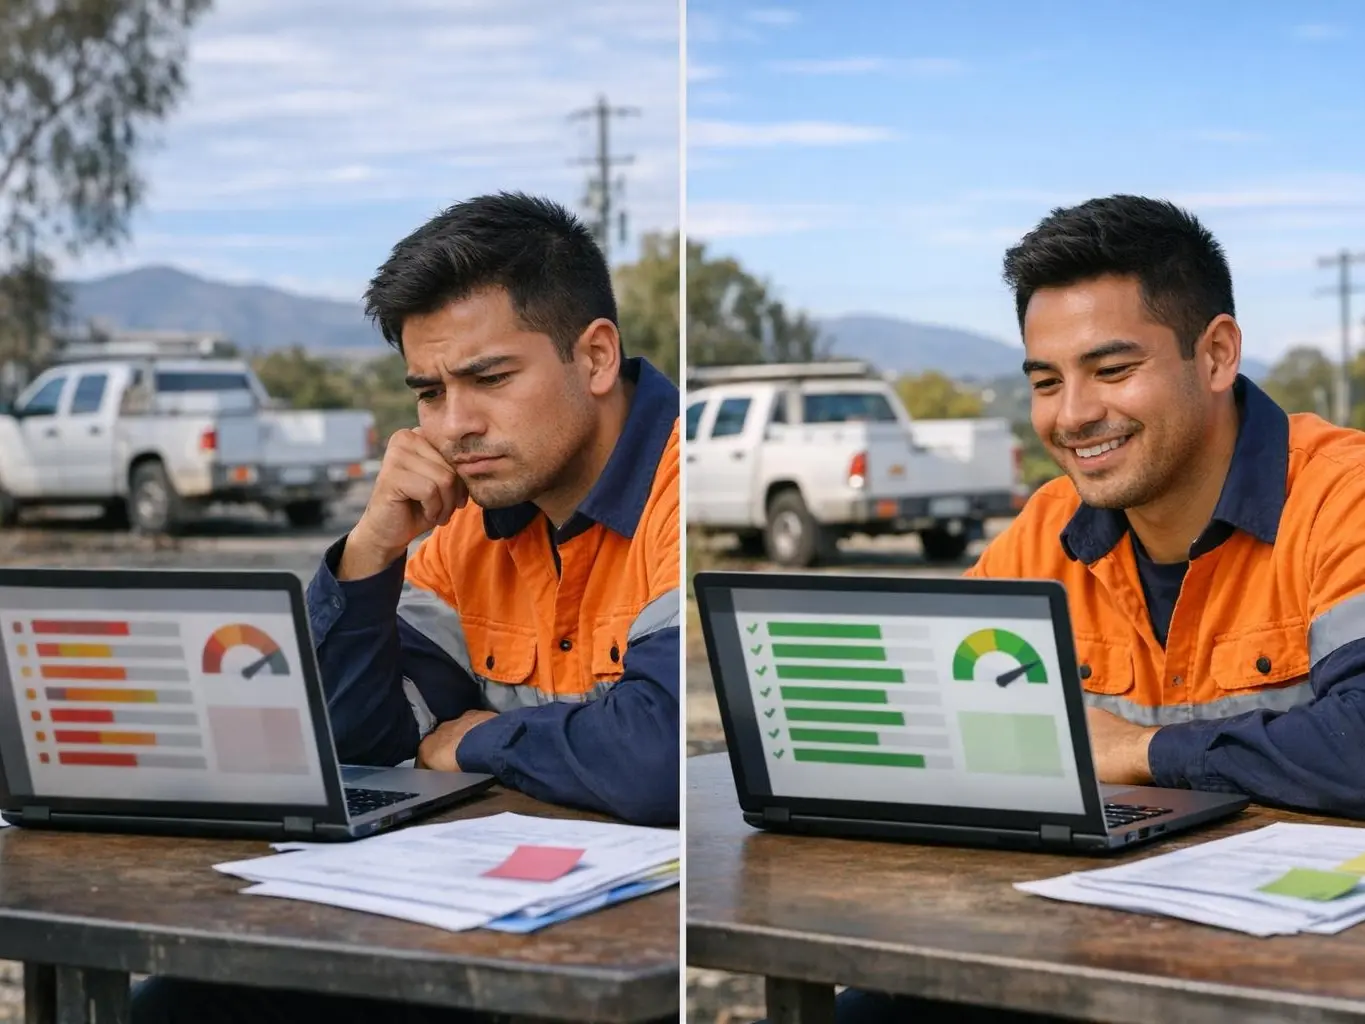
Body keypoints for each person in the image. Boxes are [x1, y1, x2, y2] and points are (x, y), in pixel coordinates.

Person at [794, 194, 1365, 1024]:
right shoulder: (1041, 535)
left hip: (1309, 964)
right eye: (1044, 381)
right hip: (1092, 936)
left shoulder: (1340, 500)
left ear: (1214, 355)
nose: (1071, 415)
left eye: (1110, 370)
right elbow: (929, 724)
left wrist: (1143, 752)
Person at [131, 192, 680, 1023]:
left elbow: (659, 755)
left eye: (489, 378)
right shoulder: (463, 526)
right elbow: (358, 748)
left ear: (595, 357)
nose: (455, 426)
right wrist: (368, 556)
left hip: (640, 956)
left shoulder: (684, 486)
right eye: (428, 392)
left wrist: (479, 739)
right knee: (178, 1004)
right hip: (478, 923)